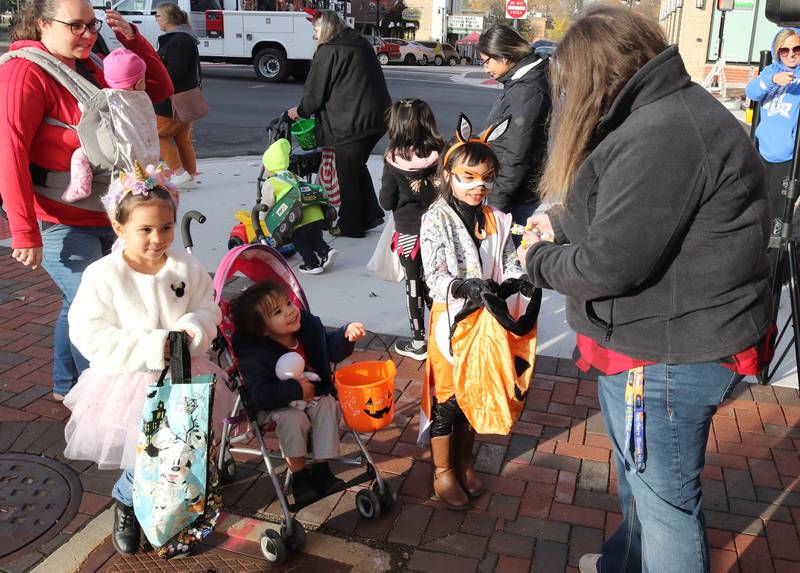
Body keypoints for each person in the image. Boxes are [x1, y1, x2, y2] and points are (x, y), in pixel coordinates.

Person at [517, 7, 772, 573]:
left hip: (667, 356)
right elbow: (633, 215)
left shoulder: (665, 132)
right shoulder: (656, 113)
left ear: (595, 78)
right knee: (640, 482)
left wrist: (539, 260)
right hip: (653, 342)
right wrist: (560, 224)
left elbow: (612, 264)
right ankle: (625, 563)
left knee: (666, 507)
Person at [0, 0, 173, 402]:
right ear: (43, 24)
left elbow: (158, 92)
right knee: (97, 308)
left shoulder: (92, 62)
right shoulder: (25, 71)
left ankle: (67, 385)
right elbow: (9, 153)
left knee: (77, 303)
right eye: (76, 25)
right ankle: (99, 399)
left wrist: (136, 42)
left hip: (109, 208)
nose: (88, 34)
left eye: (93, 25)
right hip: (58, 215)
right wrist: (24, 231)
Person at [63, 163, 229, 556]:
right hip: (129, 382)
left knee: (182, 454)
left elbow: (209, 307)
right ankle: (128, 502)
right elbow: (89, 332)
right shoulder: (104, 275)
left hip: (185, 375)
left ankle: (176, 518)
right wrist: (153, 346)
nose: (158, 238)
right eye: (146, 229)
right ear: (119, 229)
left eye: (166, 227)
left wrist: (194, 326)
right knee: (146, 456)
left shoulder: (185, 267)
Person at [419, 114, 528, 511]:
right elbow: (434, 274)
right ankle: (442, 472)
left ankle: (464, 463)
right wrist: (463, 286)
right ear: (448, 175)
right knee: (448, 398)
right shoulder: (435, 219)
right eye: (468, 177)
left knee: (474, 392)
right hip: (452, 323)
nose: (478, 186)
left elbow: (511, 261)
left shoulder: (496, 218)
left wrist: (519, 281)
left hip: (488, 323)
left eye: (485, 178)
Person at [230, 281, 366, 504]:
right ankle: (300, 475)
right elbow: (259, 392)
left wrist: (345, 336)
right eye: (278, 311)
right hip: (277, 406)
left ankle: (322, 467)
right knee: (291, 418)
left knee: (328, 404)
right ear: (264, 329)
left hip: (314, 396)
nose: (290, 311)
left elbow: (329, 347)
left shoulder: (307, 331)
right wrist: (294, 389)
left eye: (288, 303)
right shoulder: (257, 354)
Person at [288, 10, 391, 238]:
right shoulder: (359, 43)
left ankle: (350, 225)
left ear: (325, 28)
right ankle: (369, 215)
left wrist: (300, 111)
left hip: (350, 122)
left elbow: (315, 94)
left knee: (347, 173)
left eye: (316, 30)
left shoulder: (329, 50)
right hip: (376, 118)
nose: (315, 36)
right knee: (356, 167)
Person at [378, 98, 444, 360]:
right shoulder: (442, 151)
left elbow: (386, 201)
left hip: (409, 232)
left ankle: (418, 341)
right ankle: (446, 330)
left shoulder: (393, 160)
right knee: (439, 282)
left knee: (414, 284)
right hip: (438, 229)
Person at [478, 24, 550, 230]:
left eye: (486, 61)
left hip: (517, 193)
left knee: (511, 256)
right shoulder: (526, 78)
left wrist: (496, 204)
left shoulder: (526, 90)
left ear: (503, 56)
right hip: (515, 188)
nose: (485, 69)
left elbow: (516, 153)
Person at [63, 47, 159, 202]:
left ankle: (80, 186)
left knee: (80, 154)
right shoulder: (143, 99)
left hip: (119, 153)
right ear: (140, 82)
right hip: (146, 156)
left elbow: (86, 107)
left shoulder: (107, 97)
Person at [745, 28, 800, 280]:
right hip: (761, 153)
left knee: (778, 219)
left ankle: (772, 277)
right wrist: (772, 81)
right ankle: (752, 264)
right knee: (755, 210)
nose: (791, 55)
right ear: (778, 52)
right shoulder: (771, 72)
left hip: (788, 160)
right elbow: (752, 91)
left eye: (797, 49)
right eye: (785, 50)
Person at [262, 138, 337, 274]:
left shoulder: (271, 182)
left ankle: (312, 264)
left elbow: (267, 204)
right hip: (315, 212)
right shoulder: (293, 176)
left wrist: (262, 215)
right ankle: (326, 252)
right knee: (314, 236)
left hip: (298, 217)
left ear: (270, 167)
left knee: (300, 240)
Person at [154, 2, 201, 190]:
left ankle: (179, 173)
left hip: (172, 100)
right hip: (186, 99)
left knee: (158, 136)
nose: (156, 19)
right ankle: (189, 175)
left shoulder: (177, 40)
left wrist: (156, 67)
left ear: (167, 18)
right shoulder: (186, 37)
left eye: (158, 16)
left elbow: (175, 72)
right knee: (183, 137)